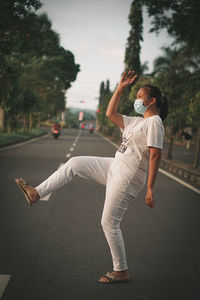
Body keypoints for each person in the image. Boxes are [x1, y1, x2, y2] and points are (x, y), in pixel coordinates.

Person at [15, 70, 168, 283]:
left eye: (139, 97)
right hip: (114, 165)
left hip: (128, 176)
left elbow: (155, 154)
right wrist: (121, 88)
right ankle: (36, 193)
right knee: (74, 163)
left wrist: (150, 187)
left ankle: (121, 270)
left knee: (109, 222)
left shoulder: (154, 122)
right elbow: (110, 114)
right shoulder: (136, 121)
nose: (136, 100)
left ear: (151, 101)